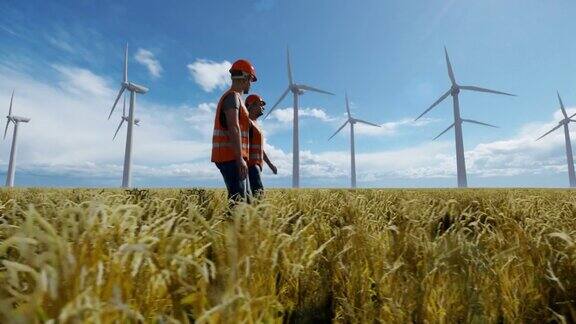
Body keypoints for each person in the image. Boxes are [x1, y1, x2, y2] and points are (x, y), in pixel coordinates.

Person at [211, 59, 257, 205]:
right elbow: (234, 127)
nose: (250, 84)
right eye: (251, 80)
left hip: (233, 157)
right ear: (245, 77)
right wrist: (239, 158)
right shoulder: (232, 97)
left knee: (247, 199)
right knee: (239, 202)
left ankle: (241, 226)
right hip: (230, 157)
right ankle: (231, 227)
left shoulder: (236, 99)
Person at [246, 94, 277, 198]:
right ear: (251, 105)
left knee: (256, 196)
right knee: (259, 196)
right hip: (250, 165)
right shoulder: (247, 123)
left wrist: (270, 165)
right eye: (261, 104)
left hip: (256, 165)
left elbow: (260, 149)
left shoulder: (255, 125)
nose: (263, 107)